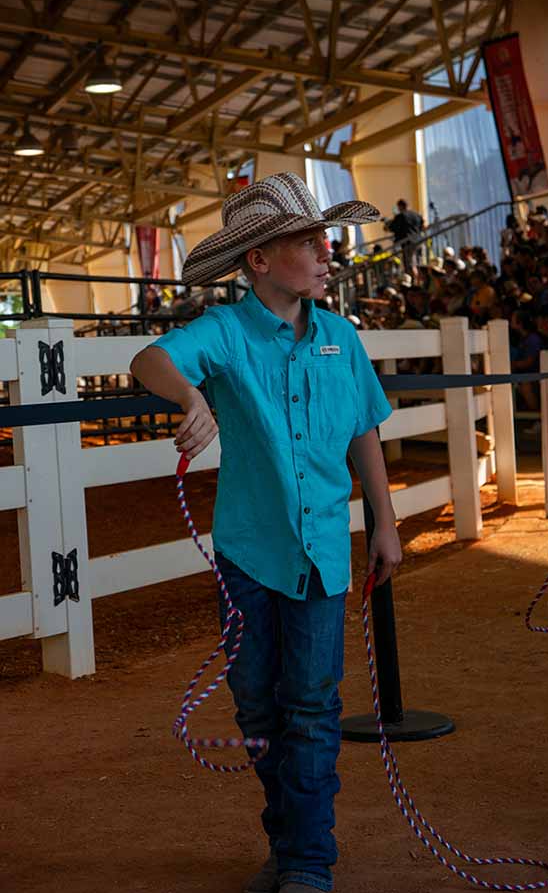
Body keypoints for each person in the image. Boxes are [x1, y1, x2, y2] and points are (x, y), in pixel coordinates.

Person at [129, 172, 403, 893]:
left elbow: (363, 431)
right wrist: (190, 395)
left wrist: (385, 521)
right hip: (249, 554)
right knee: (256, 705)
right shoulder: (223, 333)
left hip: (320, 554)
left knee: (310, 706)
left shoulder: (340, 337)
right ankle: (289, 844)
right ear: (258, 259)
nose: (324, 250)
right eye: (307, 242)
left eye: (323, 238)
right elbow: (150, 359)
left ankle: (308, 860)